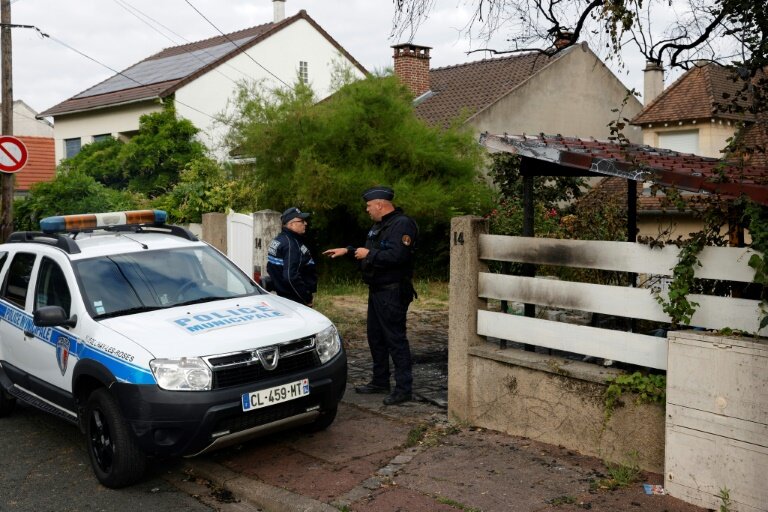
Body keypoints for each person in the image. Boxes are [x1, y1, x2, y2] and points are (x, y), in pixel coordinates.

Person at [323, 187, 418, 405]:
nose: (367, 210)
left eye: (368, 206)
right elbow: (371, 251)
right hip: (377, 290)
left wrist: (370, 254)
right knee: (376, 338)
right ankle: (380, 380)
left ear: (380, 205)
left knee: (395, 339)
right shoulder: (380, 225)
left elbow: (398, 255)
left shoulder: (402, 224)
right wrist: (348, 251)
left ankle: (404, 389)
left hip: (392, 291)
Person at [266, 207, 317, 306]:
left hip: (284, 297)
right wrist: (305, 297)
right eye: (302, 221)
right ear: (291, 224)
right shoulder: (291, 244)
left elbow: (270, 268)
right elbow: (290, 277)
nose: (305, 223)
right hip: (294, 300)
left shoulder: (280, 239)